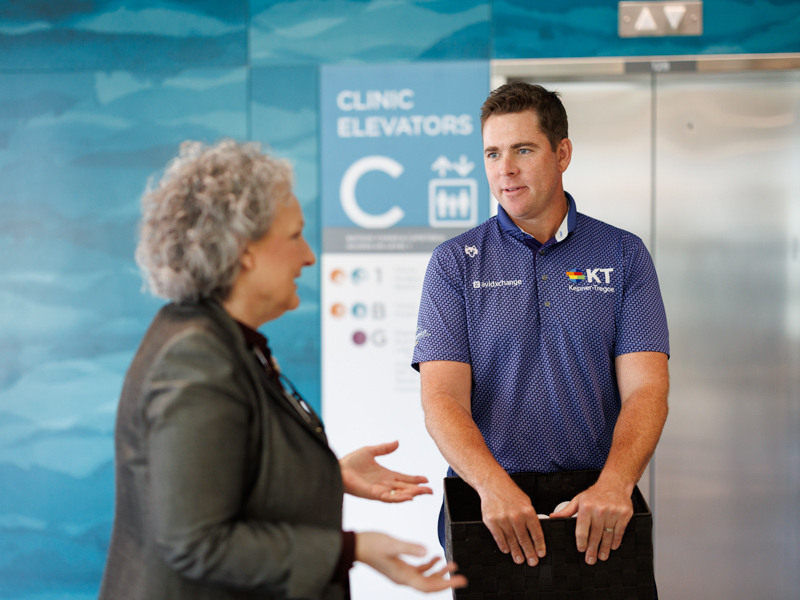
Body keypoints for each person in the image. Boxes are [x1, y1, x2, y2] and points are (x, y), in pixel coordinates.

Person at [98, 139, 467, 600]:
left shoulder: (219, 341)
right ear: (242, 250)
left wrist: (326, 475)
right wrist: (351, 549)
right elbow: (196, 541)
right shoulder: (196, 359)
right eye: (294, 236)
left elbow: (225, 474)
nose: (309, 256)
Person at [412, 82, 670, 573]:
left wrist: (615, 484)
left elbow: (647, 388)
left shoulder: (623, 254)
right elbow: (441, 397)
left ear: (562, 152)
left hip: (597, 504)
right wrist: (492, 486)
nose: (504, 169)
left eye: (522, 150)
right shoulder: (454, 263)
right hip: (488, 505)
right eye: (492, 153)